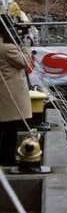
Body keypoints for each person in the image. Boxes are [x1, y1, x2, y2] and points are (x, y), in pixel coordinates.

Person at [0, 19, 32, 166]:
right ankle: (8, 160)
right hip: (10, 94)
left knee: (5, 128)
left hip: (4, 93)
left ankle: (5, 159)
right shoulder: (7, 48)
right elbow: (24, 63)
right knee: (10, 130)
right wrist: (26, 45)